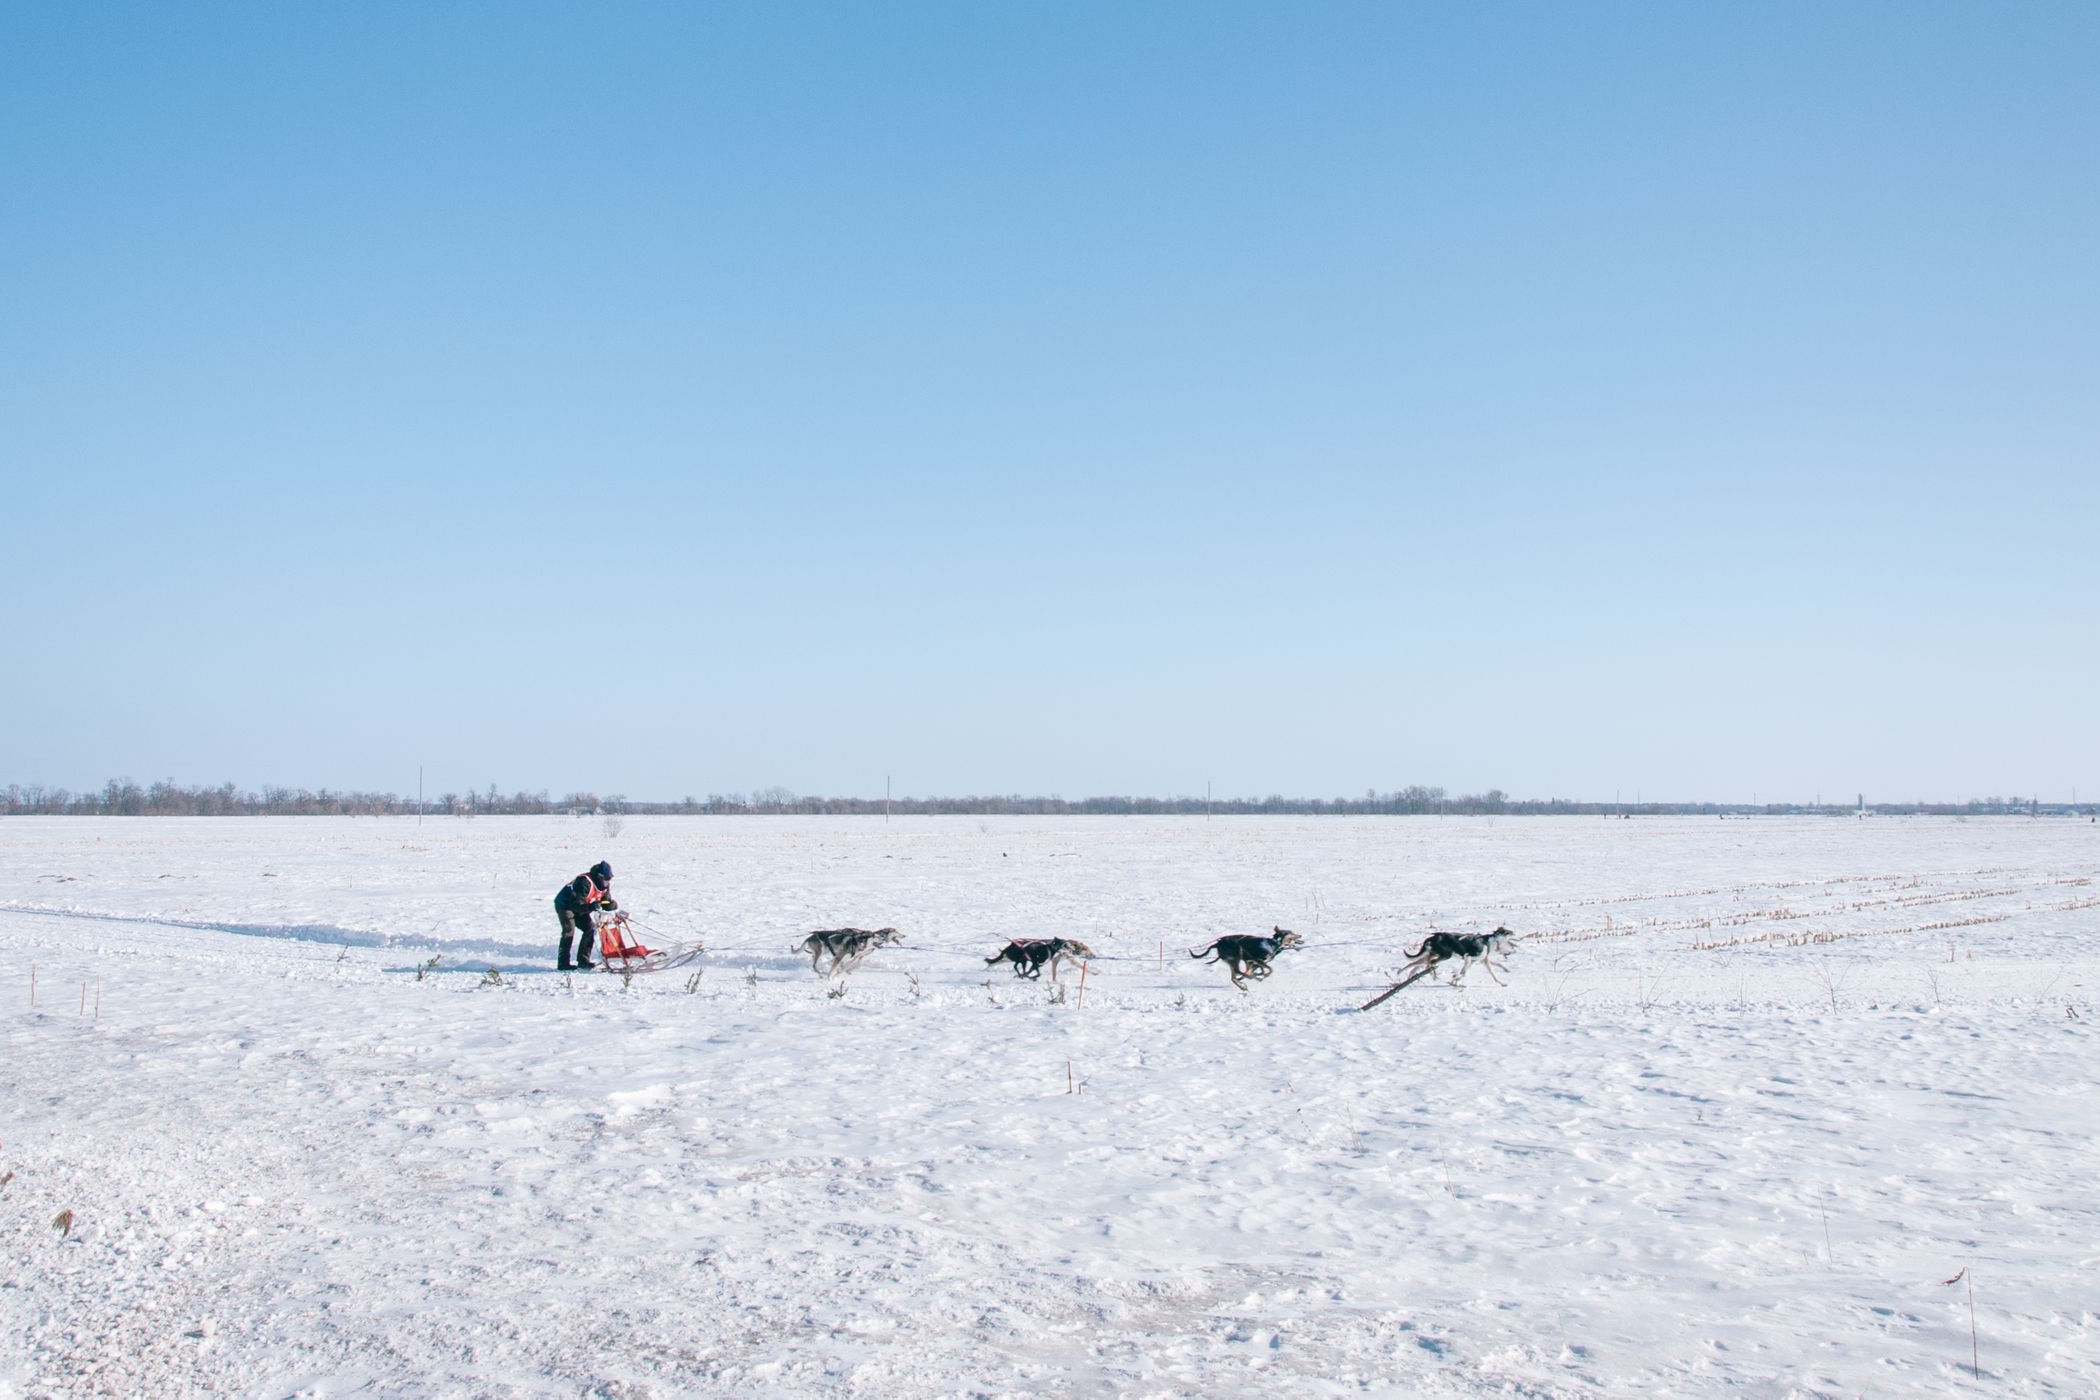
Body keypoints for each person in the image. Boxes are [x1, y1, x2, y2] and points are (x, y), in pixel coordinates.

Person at [554, 860, 616, 970]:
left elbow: (605, 901)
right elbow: (575, 905)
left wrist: (611, 905)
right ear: (599, 876)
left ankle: (583, 961)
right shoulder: (584, 882)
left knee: (590, 928)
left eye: (609, 879)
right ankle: (563, 964)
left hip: (582, 906)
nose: (608, 881)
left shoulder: (604, 885)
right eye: (606, 879)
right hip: (565, 905)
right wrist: (591, 906)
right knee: (569, 931)